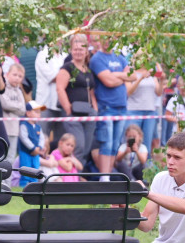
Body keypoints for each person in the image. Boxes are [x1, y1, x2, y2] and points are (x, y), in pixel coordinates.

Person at [90, 38, 135, 177]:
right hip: (106, 107)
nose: (107, 41)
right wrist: (123, 77)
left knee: (115, 145)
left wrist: (115, 74)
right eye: (105, 38)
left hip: (121, 107)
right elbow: (108, 81)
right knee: (106, 143)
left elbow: (132, 75)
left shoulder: (120, 57)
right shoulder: (97, 59)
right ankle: (104, 177)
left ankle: (108, 176)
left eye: (111, 38)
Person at [55, 34, 98, 159]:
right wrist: (68, 109)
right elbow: (60, 88)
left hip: (89, 112)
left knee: (86, 147)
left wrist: (95, 109)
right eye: (75, 49)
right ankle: (70, 175)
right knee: (78, 145)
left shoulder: (88, 70)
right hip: (73, 113)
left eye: (81, 50)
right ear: (71, 51)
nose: (78, 52)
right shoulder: (67, 68)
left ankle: (77, 174)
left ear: (86, 51)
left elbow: (91, 91)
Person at [126, 56, 167, 151]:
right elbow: (128, 92)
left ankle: (146, 163)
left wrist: (161, 81)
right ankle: (131, 163)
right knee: (132, 142)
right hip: (134, 111)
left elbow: (158, 93)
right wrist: (140, 78)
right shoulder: (131, 73)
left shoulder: (152, 74)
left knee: (147, 143)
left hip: (150, 111)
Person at [18, 101, 48, 183]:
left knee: (35, 171)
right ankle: (23, 187)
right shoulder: (23, 125)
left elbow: (42, 138)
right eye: (36, 112)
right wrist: (33, 148)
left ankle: (33, 187)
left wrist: (39, 147)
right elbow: (24, 138)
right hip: (25, 153)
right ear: (28, 113)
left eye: (39, 112)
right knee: (25, 171)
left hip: (36, 154)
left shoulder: (38, 127)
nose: (39, 114)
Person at [0, 63, 28, 140]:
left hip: (14, 129)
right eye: (14, 75)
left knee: (12, 152)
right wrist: (18, 106)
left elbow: (23, 110)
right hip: (3, 127)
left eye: (20, 76)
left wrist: (12, 106)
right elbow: (5, 104)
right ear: (7, 74)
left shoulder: (19, 91)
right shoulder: (3, 87)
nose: (17, 78)